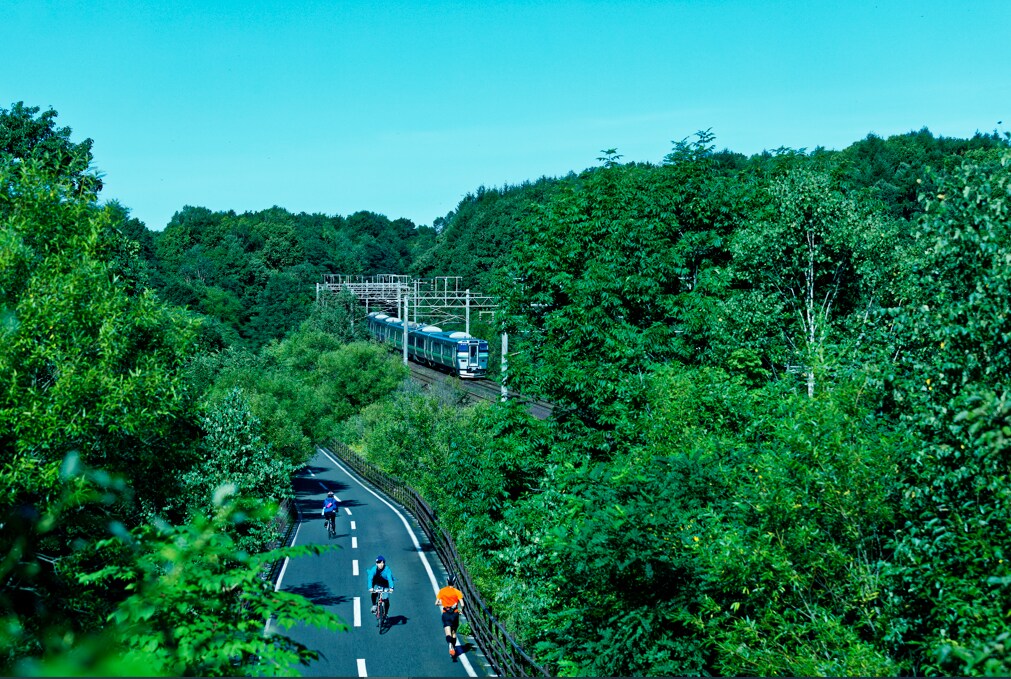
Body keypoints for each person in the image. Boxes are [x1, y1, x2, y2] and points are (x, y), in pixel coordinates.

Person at [435, 573, 465, 659]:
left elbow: (436, 603)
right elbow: (462, 604)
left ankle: (450, 645)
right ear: (455, 582)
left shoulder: (442, 591)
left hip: (446, 614)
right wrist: (461, 610)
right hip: (455, 614)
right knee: (453, 632)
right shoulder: (457, 592)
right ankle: (454, 647)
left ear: (447, 581)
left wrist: (444, 604)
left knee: (447, 632)